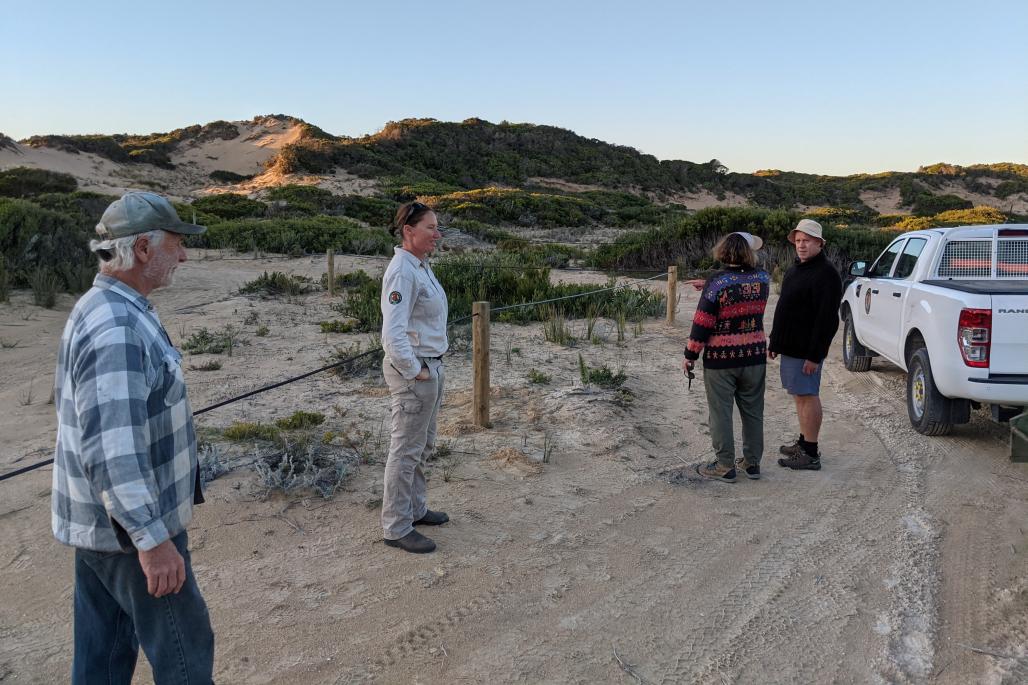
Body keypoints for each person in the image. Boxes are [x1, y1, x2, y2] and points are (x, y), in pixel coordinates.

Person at [51, 191, 215, 684]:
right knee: (186, 652)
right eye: (176, 243)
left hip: (104, 528)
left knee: (103, 657)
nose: (183, 255)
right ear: (143, 248)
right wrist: (152, 540)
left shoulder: (110, 305)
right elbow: (113, 448)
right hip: (131, 534)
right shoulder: (117, 324)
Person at [380, 201, 450, 554]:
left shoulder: (421, 266)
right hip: (416, 372)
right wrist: (415, 370)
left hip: (430, 366)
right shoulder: (403, 271)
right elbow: (392, 335)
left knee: (423, 445)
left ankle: (416, 509)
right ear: (408, 230)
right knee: (406, 450)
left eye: (437, 228)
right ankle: (396, 526)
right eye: (430, 227)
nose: (437, 234)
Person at [683, 232, 770, 482]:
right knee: (753, 411)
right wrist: (709, 283)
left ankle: (724, 465)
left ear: (723, 251)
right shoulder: (763, 278)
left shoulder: (717, 283)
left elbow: (702, 323)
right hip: (754, 355)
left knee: (720, 412)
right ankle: (752, 463)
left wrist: (690, 355)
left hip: (721, 359)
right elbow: (739, 288)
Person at [768, 219, 844, 470]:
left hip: (805, 351)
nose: (801, 245)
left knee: (807, 396)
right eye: (798, 240)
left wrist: (815, 355)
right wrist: (776, 341)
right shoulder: (797, 268)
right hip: (791, 347)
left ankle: (810, 453)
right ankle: (804, 442)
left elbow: (827, 320)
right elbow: (785, 308)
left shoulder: (826, 274)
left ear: (820, 244)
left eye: (807, 241)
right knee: (799, 396)